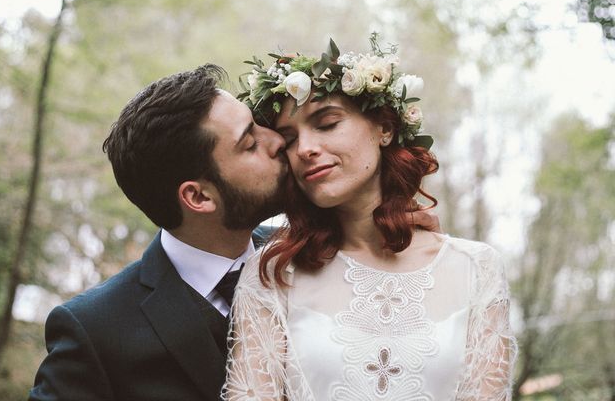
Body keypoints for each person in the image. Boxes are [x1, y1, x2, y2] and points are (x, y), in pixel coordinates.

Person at [29, 64, 440, 401]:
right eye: (249, 143)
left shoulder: (325, 252)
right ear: (199, 197)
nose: (278, 141)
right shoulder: (95, 333)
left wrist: (403, 253)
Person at [223, 35, 518, 400]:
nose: (306, 149)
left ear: (384, 128)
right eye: (289, 139)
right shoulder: (273, 274)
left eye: (327, 123)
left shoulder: (477, 268)